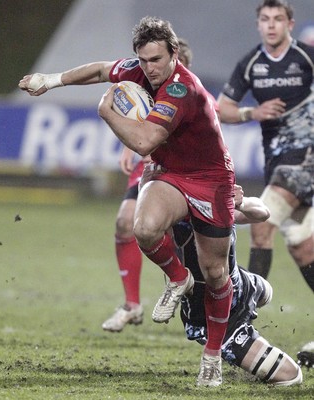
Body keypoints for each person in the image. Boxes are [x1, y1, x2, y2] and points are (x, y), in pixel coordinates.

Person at [19, 18, 235, 387]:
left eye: (156, 59)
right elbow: (102, 70)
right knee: (143, 227)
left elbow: (143, 143)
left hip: (211, 180)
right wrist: (51, 80)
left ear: (173, 54)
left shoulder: (182, 88)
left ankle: (212, 356)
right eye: (143, 60)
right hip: (170, 172)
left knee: (215, 273)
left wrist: (107, 112)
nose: (149, 68)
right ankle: (178, 278)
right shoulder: (138, 69)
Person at [217, 0, 314, 293]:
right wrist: (252, 113)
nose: (271, 25)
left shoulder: (306, 57)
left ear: (290, 25)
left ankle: (245, 315)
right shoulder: (250, 65)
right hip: (278, 161)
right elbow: (223, 109)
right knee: (302, 248)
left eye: (278, 19)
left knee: (262, 226)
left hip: (305, 159)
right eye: (266, 19)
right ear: (258, 24)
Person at [102, 39, 194, 333]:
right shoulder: (147, 88)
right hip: (151, 167)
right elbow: (139, 122)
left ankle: (195, 295)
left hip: (186, 173)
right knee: (125, 222)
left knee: (197, 247)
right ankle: (131, 305)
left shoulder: (192, 94)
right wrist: (132, 143)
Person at [174, 185, 303, 386]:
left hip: (232, 293)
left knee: (289, 375)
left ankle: (255, 293)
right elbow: (147, 228)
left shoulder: (207, 199)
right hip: (219, 304)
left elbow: (263, 212)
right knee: (288, 375)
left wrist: (241, 203)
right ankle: (254, 302)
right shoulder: (166, 204)